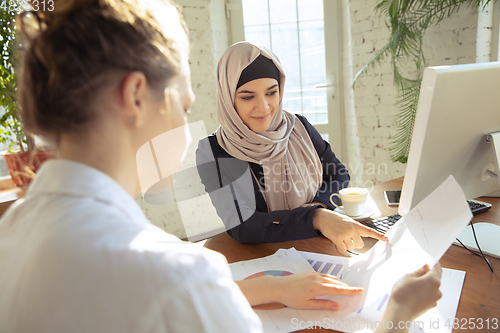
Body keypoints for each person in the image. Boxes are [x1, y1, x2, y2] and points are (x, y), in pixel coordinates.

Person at [0, 1, 442, 332]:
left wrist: (264, 287)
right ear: (137, 97)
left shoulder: (13, 230)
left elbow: (335, 175)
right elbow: (219, 250)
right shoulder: (177, 278)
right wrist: (399, 313)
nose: (186, 123)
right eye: (184, 103)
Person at [197, 41, 388, 251]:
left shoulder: (299, 127)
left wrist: (320, 205)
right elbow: (243, 225)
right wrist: (314, 218)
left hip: (318, 244)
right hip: (262, 256)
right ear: (227, 97)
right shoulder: (214, 151)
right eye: (247, 96)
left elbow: (338, 174)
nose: (264, 106)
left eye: (271, 92)